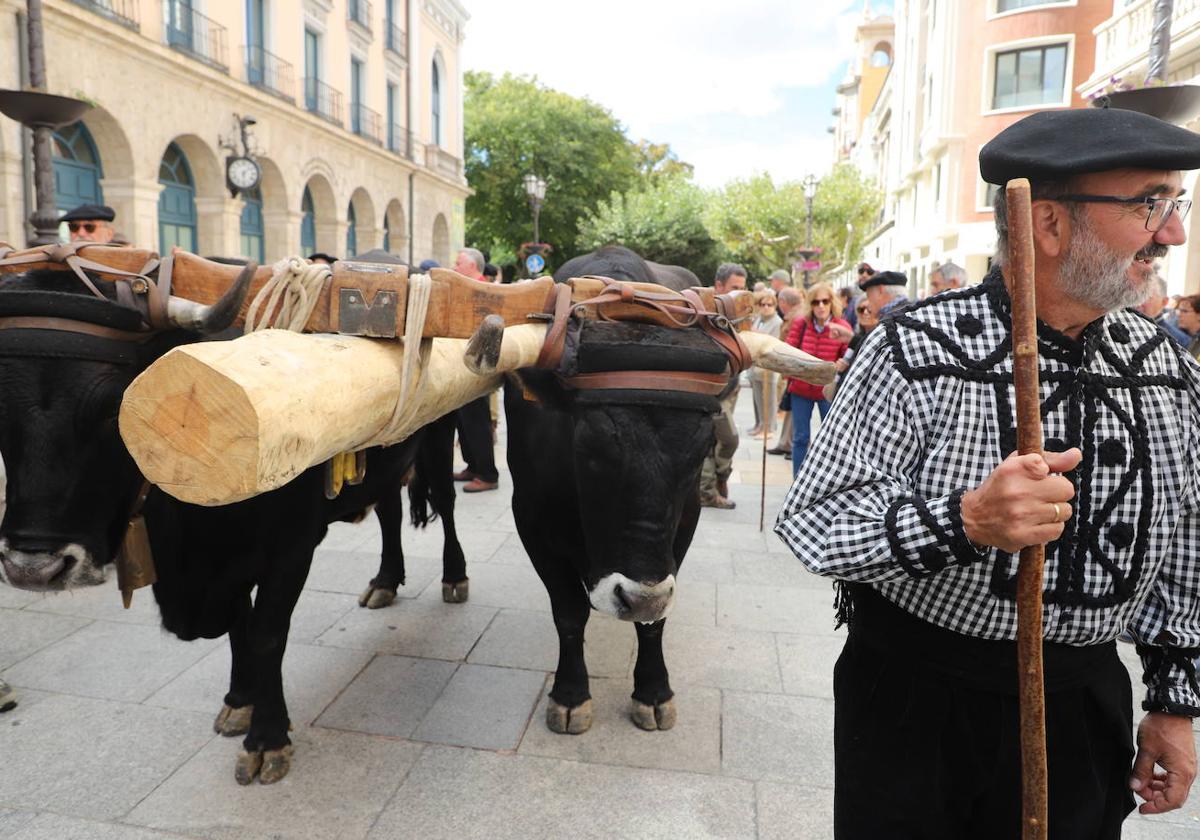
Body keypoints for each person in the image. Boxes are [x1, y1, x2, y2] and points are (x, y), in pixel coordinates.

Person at [777, 106, 1200, 838]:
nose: (1173, 233)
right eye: (1149, 205)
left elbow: (1189, 541)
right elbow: (817, 522)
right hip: (915, 703)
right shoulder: (913, 346)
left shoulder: (1163, 365)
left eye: (1175, 204)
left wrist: (1174, 703)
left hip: (1082, 701)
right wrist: (964, 521)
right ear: (1048, 225)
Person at [783, 282, 851, 476]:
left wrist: (842, 362)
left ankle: (824, 482)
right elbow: (789, 350)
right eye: (816, 302)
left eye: (825, 301)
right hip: (801, 390)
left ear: (832, 303)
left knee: (830, 440)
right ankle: (798, 482)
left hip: (827, 391)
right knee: (800, 438)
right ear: (810, 304)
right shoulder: (800, 324)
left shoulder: (842, 326)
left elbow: (849, 354)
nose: (820, 306)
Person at [699, 262, 748, 509]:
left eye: (743, 288)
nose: (739, 293)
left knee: (720, 440)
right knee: (728, 439)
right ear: (719, 286)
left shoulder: (736, 313)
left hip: (730, 388)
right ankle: (714, 485)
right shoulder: (704, 310)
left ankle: (713, 486)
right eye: (734, 288)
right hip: (711, 391)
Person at [451, 247, 501, 492]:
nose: (454, 266)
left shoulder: (485, 291)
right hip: (464, 362)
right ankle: (473, 465)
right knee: (464, 418)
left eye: (458, 262)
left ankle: (488, 474)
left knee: (476, 419)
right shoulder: (469, 288)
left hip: (477, 364)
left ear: (472, 266)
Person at [769, 287, 804, 458]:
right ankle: (786, 442)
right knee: (789, 406)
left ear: (783, 302)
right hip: (793, 367)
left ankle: (790, 444)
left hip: (795, 368)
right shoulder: (797, 314)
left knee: (794, 407)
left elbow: (791, 344)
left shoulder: (797, 316)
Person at [747, 290, 783, 438]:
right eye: (763, 304)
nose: (766, 307)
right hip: (755, 366)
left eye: (769, 304)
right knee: (758, 399)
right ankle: (761, 425)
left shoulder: (777, 322)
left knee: (769, 400)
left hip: (768, 366)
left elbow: (775, 342)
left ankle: (769, 429)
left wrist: (758, 335)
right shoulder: (758, 319)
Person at [1137, 269, 1190, 348]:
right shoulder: (1125, 326)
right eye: (1137, 296)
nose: (1139, 302)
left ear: (1164, 301)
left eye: (1147, 297)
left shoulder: (1179, 340)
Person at [1175, 293, 1200, 360]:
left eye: (1184, 311)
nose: (1179, 315)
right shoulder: (1191, 337)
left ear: (1198, 315)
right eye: (1179, 311)